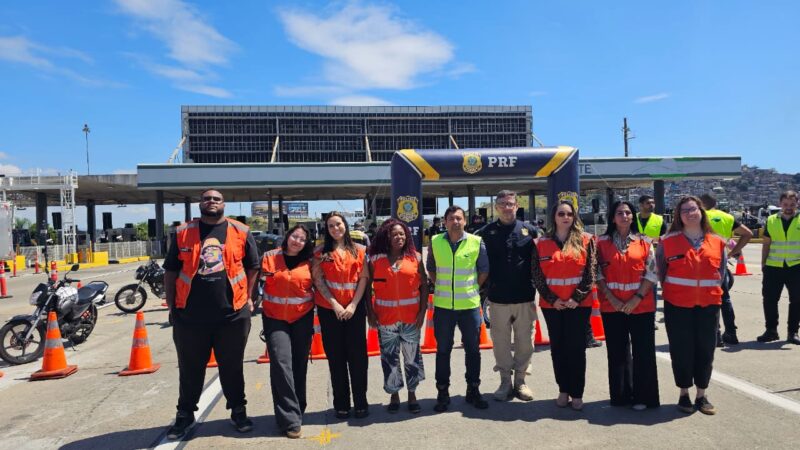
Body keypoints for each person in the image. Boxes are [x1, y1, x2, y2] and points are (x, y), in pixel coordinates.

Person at [163, 189, 260, 440]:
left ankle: (238, 411)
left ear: (224, 204)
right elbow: (171, 271)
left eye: (216, 199)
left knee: (232, 367)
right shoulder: (183, 232)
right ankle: (185, 415)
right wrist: (172, 306)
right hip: (190, 316)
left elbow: (253, 267)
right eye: (207, 198)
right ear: (200, 204)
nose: (212, 202)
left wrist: (248, 297)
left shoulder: (241, 231)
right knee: (190, 368)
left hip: (232, 315)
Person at [657, 196, 727, 415]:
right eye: (684, 210)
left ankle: (701, 394)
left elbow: (721, 273)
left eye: (693, 209)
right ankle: (684, 393)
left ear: (701, 212)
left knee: (706, 350)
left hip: (708, 305)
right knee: (681, 350)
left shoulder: (717, 241)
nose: (689, 213)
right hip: (677, 305)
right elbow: (661, 272)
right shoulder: (667, 241)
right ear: (678, 215)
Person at [532, 200, 596, 411]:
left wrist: (575, 298)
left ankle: (577, 393)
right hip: (553, 306)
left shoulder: (586, 240)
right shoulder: (540, 243)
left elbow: (590, 273)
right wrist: (552, 299)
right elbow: (537, 275)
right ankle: (563, 390)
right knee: (558, 349)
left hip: (578, 305)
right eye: (561, 214)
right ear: (554, 217)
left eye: (569, 214)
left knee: (576, 349)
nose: (565, 217)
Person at [596, 201, 660, 410]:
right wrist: (612, 298)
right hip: (612, 306)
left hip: (640, 306)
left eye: (628, 213)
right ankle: (621, 395)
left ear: (633, 217)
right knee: (617, 352)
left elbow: (652, 273)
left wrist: (637, 298)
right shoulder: (601, 243)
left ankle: (644, 397)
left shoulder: (644, 242)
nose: (624, 216)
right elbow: (596, 273)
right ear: (612, 218)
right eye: (619, 213)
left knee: (644, 352)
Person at [476, 190, 538, 402]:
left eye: (509, 203)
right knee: (500, 342)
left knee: (525, 342)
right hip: (498, 298)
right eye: (501, 203)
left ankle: (520, 381)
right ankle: (505, 381)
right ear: (496, 206)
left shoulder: (530, 231)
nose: (506, 207)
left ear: (516, 205)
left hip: (524, 297)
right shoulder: (484, 232)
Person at [427, 205, 490, 412]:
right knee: (443, 351)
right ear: (445, 222)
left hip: (469, 307)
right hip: (444, 307)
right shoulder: (435, 242)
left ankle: (473, 389)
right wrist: (443, 288)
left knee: (473, 350)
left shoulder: (476, 242)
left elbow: (483, 271)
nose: (455, 222)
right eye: (451, 218)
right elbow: (431, 269)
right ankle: (442, 392)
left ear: (465, 221)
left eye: (459, 218)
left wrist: (471, 289)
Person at [312, 212, 371, 419]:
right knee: (336, 359)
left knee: (358, 359)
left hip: (354, 311)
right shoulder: (320, 252)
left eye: (338, 224)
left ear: (345, 225)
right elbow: (318, 281)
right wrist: (335, 304)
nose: (335, 228)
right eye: (330, 226)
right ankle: (341, 404)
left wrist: (354, 305)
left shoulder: (360, 250)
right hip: (330, 312)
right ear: (326, 229)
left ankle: (361, 402)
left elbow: (363, 279)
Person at [366, 219, 428, 414]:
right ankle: (394, 395)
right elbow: (367, 288)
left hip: (411, 319)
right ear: (387, 237)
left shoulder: (415, 258)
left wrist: (422, 312)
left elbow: (424, 286)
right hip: (385, 320)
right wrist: (370, 313)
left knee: (412, 358)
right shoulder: (375, 260)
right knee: (389, 359)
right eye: (394, 234)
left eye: (402, 234)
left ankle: (412, 395)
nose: (398, 237)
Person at [260, 224, 315, 439]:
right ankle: (289, 419)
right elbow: (256, 282)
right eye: (295, 236)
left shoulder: (311, 261)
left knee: (299, 364)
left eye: (302, 239)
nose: (297, 241)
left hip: (302, 317)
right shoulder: (270, 257)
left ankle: (298, 407)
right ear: (288, 236)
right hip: (275, 319)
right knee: (282, 364)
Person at [699, 193, 753, 346]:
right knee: (725, 298)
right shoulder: (727, 217)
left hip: (703, 261)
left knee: (708, 300)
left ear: (702, 204)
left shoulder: (700, 216)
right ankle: (731, 332)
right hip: (721, 260)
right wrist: (733, 252)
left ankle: (716, 335)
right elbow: (748, 234)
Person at [757, 190, 800, 344]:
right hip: (773, 266)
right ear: (780, 203)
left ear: (797, 204)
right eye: (785, 204)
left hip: (796, 266)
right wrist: (763, 264)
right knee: (769, 300)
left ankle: (793, 332)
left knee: (797, 300)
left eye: (792, 204)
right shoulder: (771, 220)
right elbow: (766, 243)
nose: (789, 207)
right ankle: (771, 331)